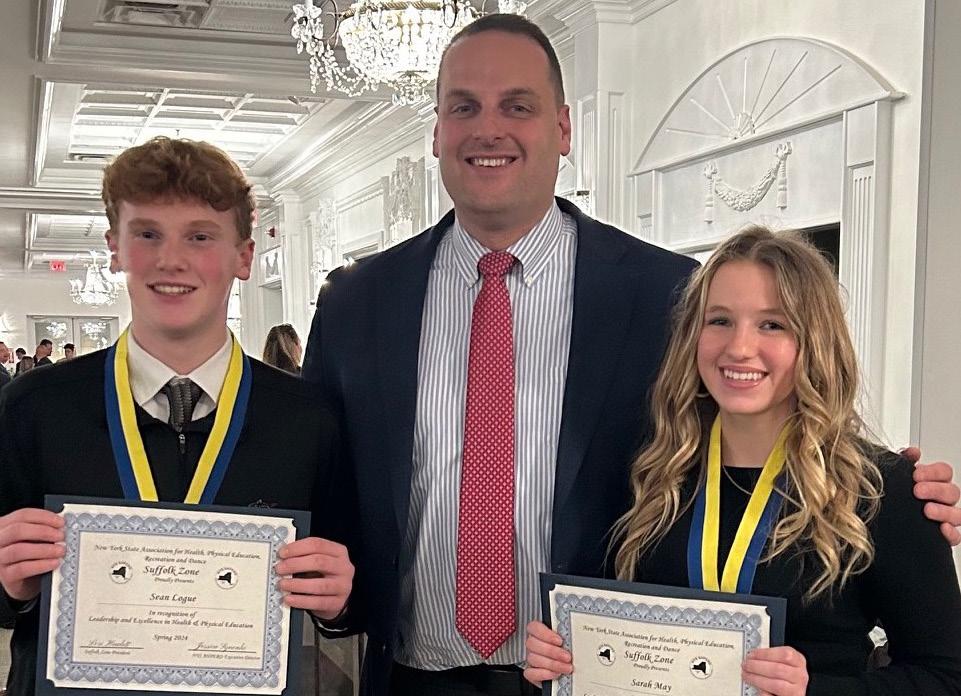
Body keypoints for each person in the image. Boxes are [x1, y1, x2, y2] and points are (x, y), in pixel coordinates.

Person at [301, 15, 961, 696]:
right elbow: (324, 483)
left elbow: (748, 434)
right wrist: (334, 597)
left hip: (603, 677)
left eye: (517, 106)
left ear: (563, 128)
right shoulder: (357, 303)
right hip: (409, 677)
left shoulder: (668, 294)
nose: (488, 129)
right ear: (436, 131)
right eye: (463, 107)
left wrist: (890, 495)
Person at [524, 227, 961, 695]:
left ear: (815, 340)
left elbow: (945, 675)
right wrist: (562, 657)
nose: (738, 347)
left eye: (772, 324)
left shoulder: (880, 490)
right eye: (720, 320)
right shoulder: (651, 474)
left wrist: (813, 691)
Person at [0, 137, 353, 696]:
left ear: (244, 257)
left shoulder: (309, 417)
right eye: (147, 234)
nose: (171, 259)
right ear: (115, 249)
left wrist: (340, 600)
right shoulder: (32, 407)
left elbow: (356, 587)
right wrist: (9, 584)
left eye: (200, 236)